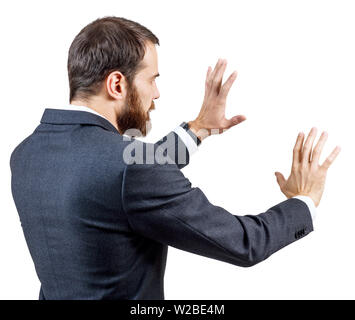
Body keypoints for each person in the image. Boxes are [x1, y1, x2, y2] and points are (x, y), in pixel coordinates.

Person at [10, 16, 341, 300]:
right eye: (152, 79)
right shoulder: (132, 168)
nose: (157, 93)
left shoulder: (26, 154)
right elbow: (243, 243)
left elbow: (113, 175)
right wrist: (304, 201)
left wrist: (199, 129)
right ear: (116, 84)